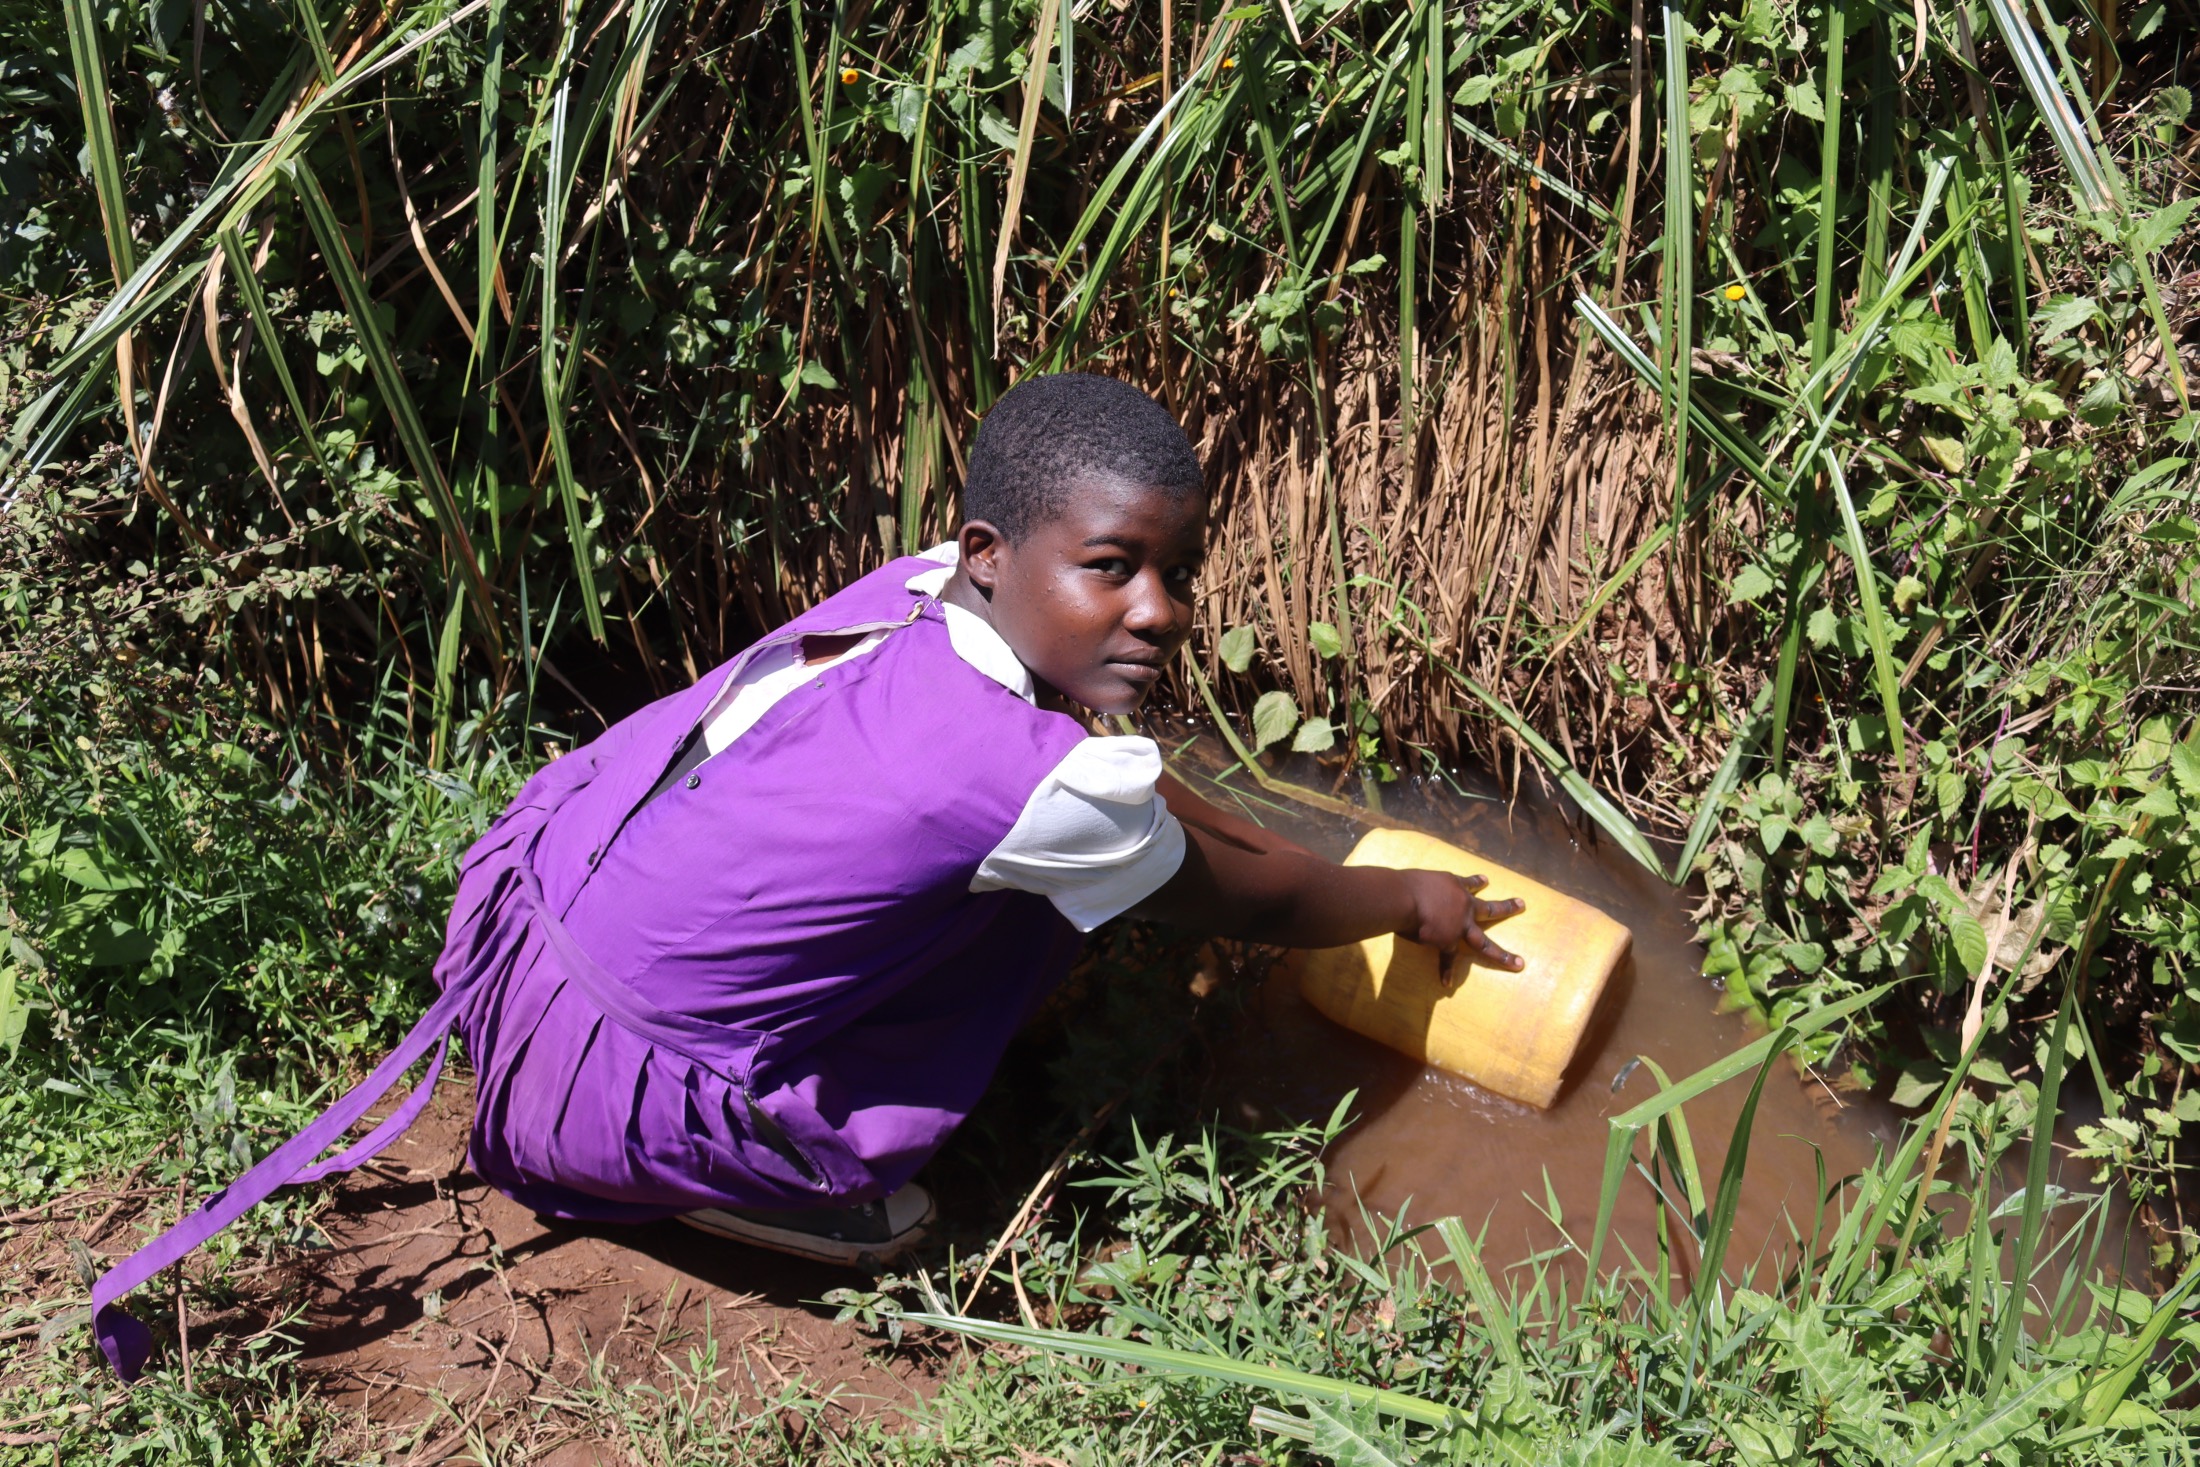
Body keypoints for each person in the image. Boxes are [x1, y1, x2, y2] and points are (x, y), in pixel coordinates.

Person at [90, 373, 1521, 1378]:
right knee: (895, 1219)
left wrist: (1190, 818)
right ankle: (737, 1188)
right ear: (996, 553)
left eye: (1176, 570)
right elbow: (1257, 905)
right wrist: (1411, 898)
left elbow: (1136, 797)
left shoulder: (914, 595)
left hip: (527, 942)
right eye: (1114, 569)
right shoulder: (1039, 777)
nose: (1160, 610)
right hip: (589, 1083)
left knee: (1039, 883)